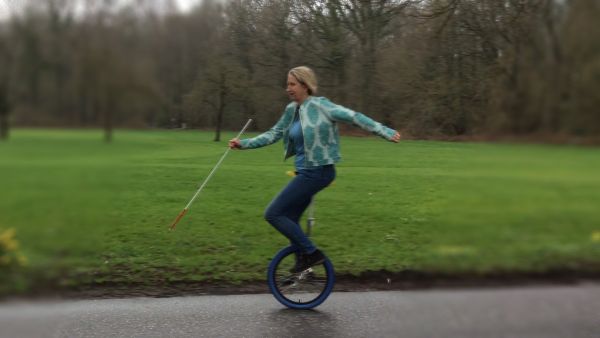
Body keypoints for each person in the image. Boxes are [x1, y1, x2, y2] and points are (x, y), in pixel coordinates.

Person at [229, 66, 401, 273]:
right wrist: (244, 144)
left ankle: (312, 254)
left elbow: (355, 117)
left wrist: (384, 131)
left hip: (319, 172)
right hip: (305, 172)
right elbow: (274, 133)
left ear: (304, 85)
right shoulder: (291, 110)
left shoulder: (322, 106)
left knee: (273, 213)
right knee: (289, 219)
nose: (288, 88)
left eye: (292, 84)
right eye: (287, 84)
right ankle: (303, 260)